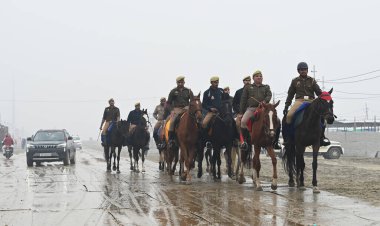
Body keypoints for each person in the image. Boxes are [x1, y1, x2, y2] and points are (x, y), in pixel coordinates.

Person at [283, 62, 330, 146]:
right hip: (299, 101)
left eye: (304, 69)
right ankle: (288, 138)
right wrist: (286, 105)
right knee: (289, 116)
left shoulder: (312, 80)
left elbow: (318, 92)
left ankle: (322, 138)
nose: (303, 71)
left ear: (307, 70)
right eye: (301, 70)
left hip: (311, 101)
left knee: (322, 117)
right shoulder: (295, 81)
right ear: (298, 71)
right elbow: (290, 94)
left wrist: (325, 97)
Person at [240, 70, 272, 149]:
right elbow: (243, 100)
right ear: (253, 78)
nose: (259, 77)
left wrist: (264, 101)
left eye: (261, 76)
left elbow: (269, 95)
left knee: (275, 120)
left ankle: (274, 141)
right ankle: (244, 141)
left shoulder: (266, 87)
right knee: (243, 121)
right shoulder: (248, 87)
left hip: (263, 108)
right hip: (252, 108)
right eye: (257, 76)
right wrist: (241, 112)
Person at [166, 76, 193, 147]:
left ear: (184, 82)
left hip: (186, 108)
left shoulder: (188, 90)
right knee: (172, 121)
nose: (181, 83)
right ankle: (171, 139)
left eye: (182, 82)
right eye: (179, 82)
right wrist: (171, 110)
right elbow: (168, 103)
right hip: (177, 109)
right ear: (177, 83)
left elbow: (192, 101)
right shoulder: (173, 91)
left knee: (195, 119)